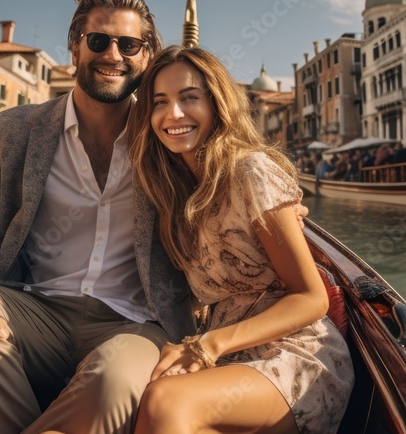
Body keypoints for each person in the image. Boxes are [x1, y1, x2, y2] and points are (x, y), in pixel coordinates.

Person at [0, 0, 190, 433]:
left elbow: (229, 166)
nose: (112, 55)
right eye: (99, 40)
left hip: (136, 321)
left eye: (129, 46)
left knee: (111, 383)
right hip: (35, 308)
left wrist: (272, 201)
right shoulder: (11, 131)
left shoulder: (167, 137)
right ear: (74, 46)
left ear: (147, 59)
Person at [128, 46, 353, 433]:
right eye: (159, 102)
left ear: (217, 105)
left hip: (292, 352)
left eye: (189, 98)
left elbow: (312, 298)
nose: (174, 114)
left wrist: (208, 346)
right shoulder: (177, 193)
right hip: (226, 356)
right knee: (147, 394)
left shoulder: (251, 171)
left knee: (165, 400)